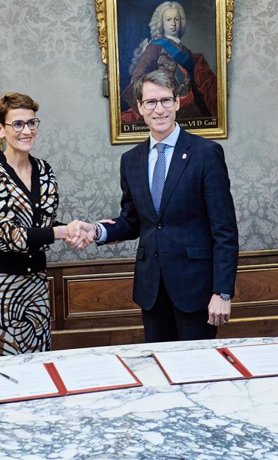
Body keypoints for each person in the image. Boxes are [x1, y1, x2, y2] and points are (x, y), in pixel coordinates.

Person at [70, 69, 238, 343]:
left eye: (165, 100)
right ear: (139, 107)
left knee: (198, 373)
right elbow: (133, 221)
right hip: (152, 291)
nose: (159, 109)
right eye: (151, 102)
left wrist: (222, 292)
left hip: (197, 291)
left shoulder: (205, 154)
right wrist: (97, 230)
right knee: (159, 372)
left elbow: (225, 231)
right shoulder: (131, 160)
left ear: (178, 102)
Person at [0, 92, 81, 358]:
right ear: (0, 129)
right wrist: (62, 232)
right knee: (0, 376)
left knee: (38, 369)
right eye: (17, 124)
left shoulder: (44, 170)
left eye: (32, 123)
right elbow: (7, 235)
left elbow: (43, 225)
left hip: (36, 287)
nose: (27, 130)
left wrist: (74, 231)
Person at [121, 1, 217, 123]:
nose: (173, 23)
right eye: (168, 20)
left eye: (176, 19)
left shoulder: (186, 51)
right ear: (161, 23)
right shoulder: (155, 48)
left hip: (189, 106)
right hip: (163, 107)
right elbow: (138, 76)